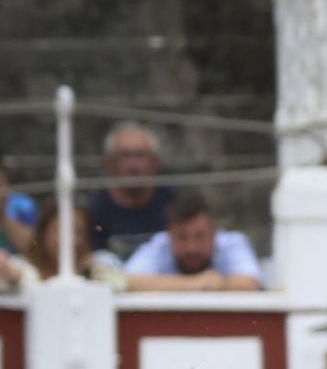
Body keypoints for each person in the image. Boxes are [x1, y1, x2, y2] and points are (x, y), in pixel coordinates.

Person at [122, 191, 263, 291]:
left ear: (215, 233)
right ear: (169, 234)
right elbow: (127, 281)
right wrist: (198, 283)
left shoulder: (232, 243)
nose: (191, 248)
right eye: (182, 237)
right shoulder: (160, 246)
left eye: (200, 237)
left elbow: (250, 283)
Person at [87, 122, 177, 260]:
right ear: (109, 164)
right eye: (125, 155)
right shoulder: (93, 211)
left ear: (155, 162)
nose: (133, 165)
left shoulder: (175, 205)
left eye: (140, 155)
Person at [25, 199, 127, 288]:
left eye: (78, 231)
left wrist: (95, 273)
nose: (70, 240)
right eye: (61, 230)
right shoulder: (26, 269)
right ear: (43, 232)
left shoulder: (103, 263)